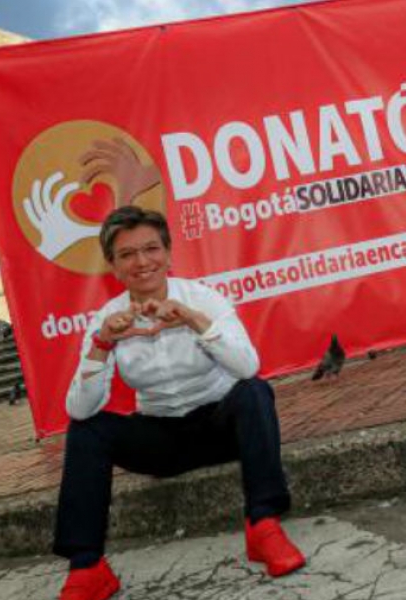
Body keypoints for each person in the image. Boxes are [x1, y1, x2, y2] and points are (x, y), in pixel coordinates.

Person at [54, 206, 305, 600]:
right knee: (86, 430)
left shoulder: (204, 298)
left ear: (169, 254)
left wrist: (193, 320)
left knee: (255, 391)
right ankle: (88, 567)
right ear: (113, 267)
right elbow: (81, 409)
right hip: (161, 438)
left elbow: (247, 366)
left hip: (220, 427)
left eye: (151, 248)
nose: (142, 262)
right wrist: (103, 343)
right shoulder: (107, 318)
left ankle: (263, 527)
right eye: (127, 254)